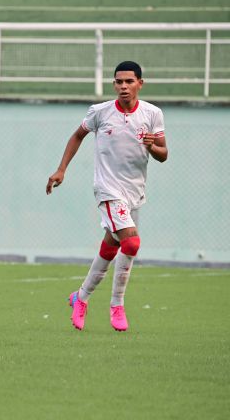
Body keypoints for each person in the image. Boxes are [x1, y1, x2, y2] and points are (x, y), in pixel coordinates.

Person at [46, 61, 168, 332]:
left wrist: (152, 146)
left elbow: (163, 154)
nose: (123, 86)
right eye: (118, 82)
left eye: (128, 81)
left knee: (112, 245)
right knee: (132, 243)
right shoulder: (100, 112)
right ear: (114, 84)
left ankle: (81, 296)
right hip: (107, 189)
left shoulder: (152, 113)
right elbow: (77, 136)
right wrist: (61, 169)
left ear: (140, 83)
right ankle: (117, 304)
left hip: (134, 191)